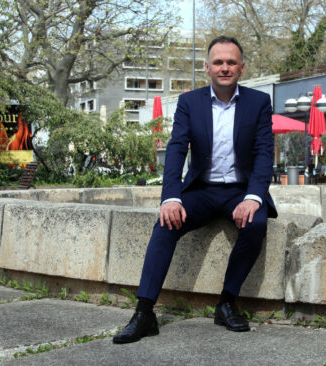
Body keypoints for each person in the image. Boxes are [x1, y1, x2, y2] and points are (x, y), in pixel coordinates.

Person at [112, 36, 277, 344]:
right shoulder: (190, 102)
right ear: (207, 68)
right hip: (201, 190)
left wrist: (254, 197)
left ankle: (227, 303)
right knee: (165, 224)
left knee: (256, 224)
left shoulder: (258, 102)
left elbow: (265, 152)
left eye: (231, 62)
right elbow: (176, 149)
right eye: (218, 62)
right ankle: (144, 311)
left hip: (240, 191)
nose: (224, 68)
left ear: (242, 68)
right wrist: (171, 197)